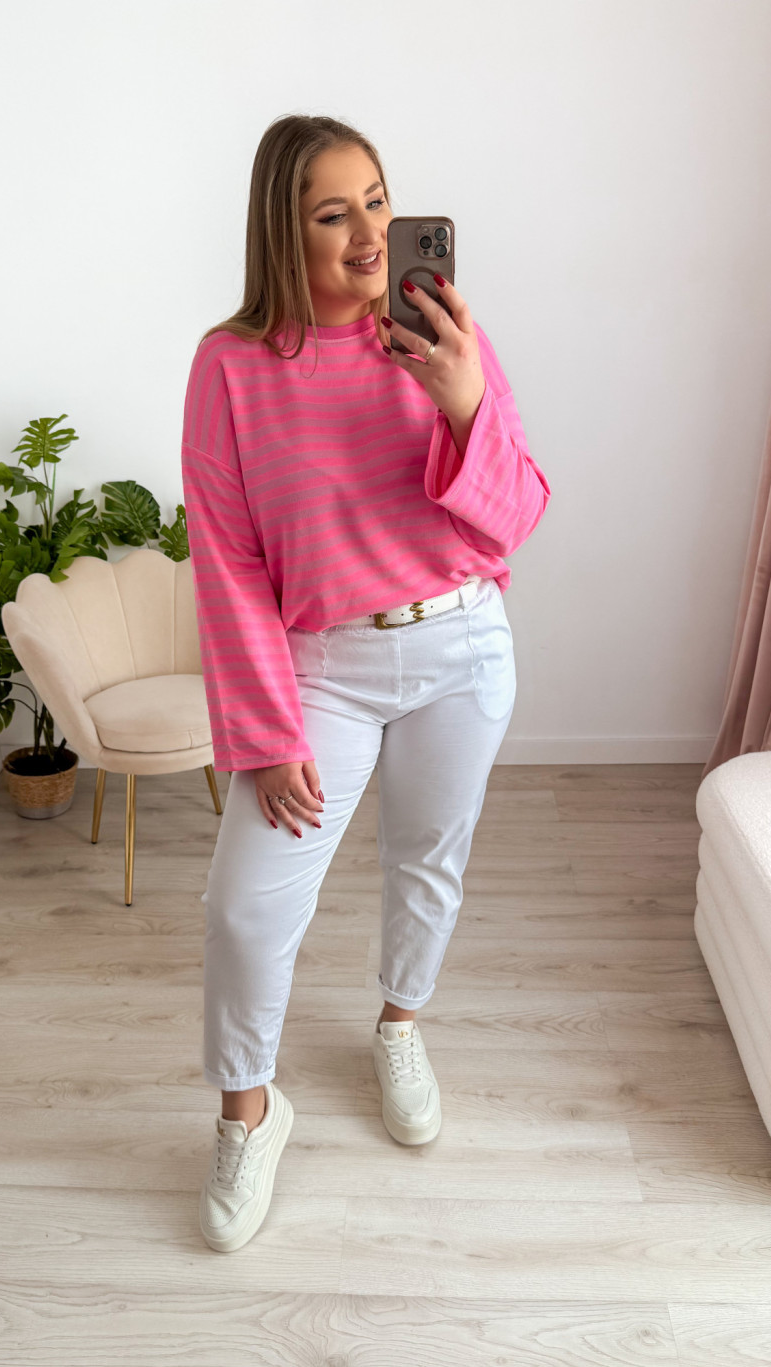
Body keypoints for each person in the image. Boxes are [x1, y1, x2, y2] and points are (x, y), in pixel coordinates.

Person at [181, 114, 551, 1253]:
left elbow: (517, 515)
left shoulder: (444, 338)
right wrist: (264, 729)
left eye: (379, 202)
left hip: (459, 646)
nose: (369, 236)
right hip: (322, 668)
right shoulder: (231, 365)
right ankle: (248, 1112)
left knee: (426, 862)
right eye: (333, 214)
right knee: (245, 907)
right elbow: (227, 559)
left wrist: (460, 396)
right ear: (281, 231)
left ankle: (398, 1023)